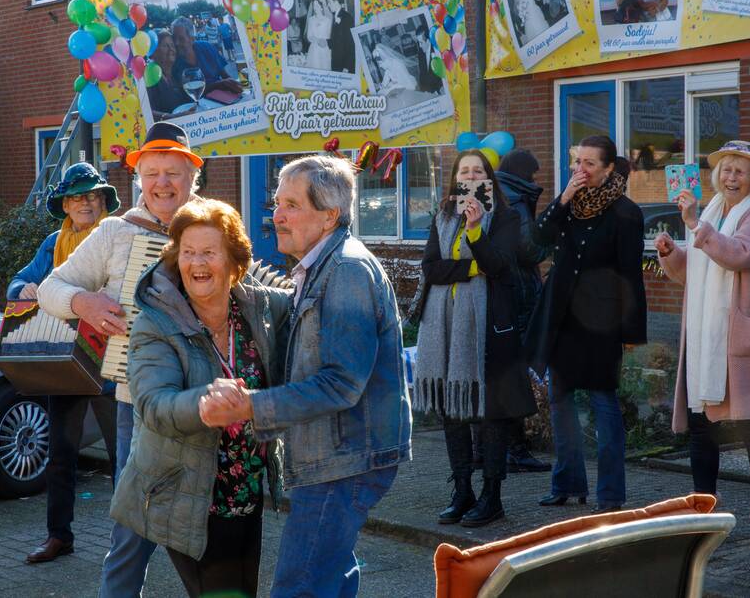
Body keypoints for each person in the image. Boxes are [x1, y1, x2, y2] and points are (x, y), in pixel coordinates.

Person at [198, 155, 412, 597]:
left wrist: (252, 406)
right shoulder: (320, 267)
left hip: (344, 460)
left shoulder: (347, 270)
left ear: (330, 214)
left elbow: (341, 383)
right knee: (331, 575)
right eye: (277, 202)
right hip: (336, 455)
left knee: (300, 586)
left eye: (291, 205)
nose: (276, 214)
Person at [38, 122, 202, 596]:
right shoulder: (115, 232)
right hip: (137, 399)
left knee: (204, 523)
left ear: (194, 176)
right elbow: (52, 288)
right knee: (131, 526)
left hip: (203, 401)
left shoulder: (214, 227)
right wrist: (84, 304)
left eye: (173, 172)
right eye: (152, 173)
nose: (163, 183)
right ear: (139, 179)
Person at [109, 199, 290, 597]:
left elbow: (310, 305)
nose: (197, 263)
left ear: (234, 262)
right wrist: (202, 405)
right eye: (188, 252)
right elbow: (153, 404)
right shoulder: (157, 324)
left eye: (208, 252)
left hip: (245, 495)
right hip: (187, 496)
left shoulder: (257, 308)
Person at [656, 141, 750, 550]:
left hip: (741, 340)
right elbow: (694, 272)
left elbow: (741, 254)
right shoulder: (711, 212)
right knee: (702, 429)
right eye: (725, 171)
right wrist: (671, 253)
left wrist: (696, 227)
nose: (731, 178)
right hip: (704, 338)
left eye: (740, 171)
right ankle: (704, 515)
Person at [414, 150, 538, 527]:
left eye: (477, 171)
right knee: (453, 411)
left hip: (489, 328)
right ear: (455, 178)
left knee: (490, 414)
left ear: (489, 179)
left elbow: (500, 265)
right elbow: (432, 269)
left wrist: (475, 231)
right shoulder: (441, 216)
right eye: (464, 171)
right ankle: (462, 489)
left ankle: (492, 496)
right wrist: (470, 268)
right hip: (445, 327)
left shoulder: (506, 217)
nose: (470, 176)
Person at [525, 135, 647, 514]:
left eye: (590, 164)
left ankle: (610, 495)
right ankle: (567, 484)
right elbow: (537, 240)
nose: (582, 170)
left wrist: (630, 332)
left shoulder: (626, 212)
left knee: (603, 403)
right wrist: (562, 199)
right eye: (578, 162)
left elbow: (631, 274)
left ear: (610, 168)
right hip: (561, 319)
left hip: (600, 324)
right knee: (560, 402)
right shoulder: (570, 205)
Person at [16, 162, 121, 565]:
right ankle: (59, 537)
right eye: (78, 196)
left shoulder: (117, 237)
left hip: (109, 360)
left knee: (122, 457)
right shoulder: (51, 245)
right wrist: (23, 287)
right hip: (65, 360)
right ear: (64, 204)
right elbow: (21, 281)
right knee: (60, 454)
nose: (86, 203)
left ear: (103, 201)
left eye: (93, 195)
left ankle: (124, 541)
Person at [495, 149, 552, 473]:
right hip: (518, 293)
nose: (536, 180)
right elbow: (529, 250)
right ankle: (515, 449)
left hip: (506, 293)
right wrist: (550, 242)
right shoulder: (516, 200)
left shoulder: (500, 193)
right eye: (533, 174)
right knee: (515, 376)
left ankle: (492, 448)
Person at [169, 17, 242, 96]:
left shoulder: (206, 47)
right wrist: (219, 84)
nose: (176, 43)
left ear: (192, 38)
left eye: (181, 39)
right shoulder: (174, 62)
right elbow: (187, 93)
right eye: (174, 38)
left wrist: (235, 86)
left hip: (221, 97)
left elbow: (225, 76)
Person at [147, 29, 188, 118]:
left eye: (172, 45)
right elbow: (146, 110)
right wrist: (170, 117)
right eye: (165, 45)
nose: (171, 49)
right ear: (153, 52)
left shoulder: (177, 72)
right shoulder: (150, 74)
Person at [305, 0, 333, 71]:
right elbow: (309, 36)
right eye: (314, 6)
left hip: (324, 49)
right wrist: (317, 40)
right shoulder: (311, 20)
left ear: (321, 8)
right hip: (314, 49)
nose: (315, 8)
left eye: (317, 6)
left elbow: (330, 36)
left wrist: (324, 42)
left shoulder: (327, 20)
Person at [412, 26, 444, 95]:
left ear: (428, 41)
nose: (420, 46)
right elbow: (422, 74)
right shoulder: (421, 53)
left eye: (421, 42)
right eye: (418, 43)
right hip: (429, 92)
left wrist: (438, 90)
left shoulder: (437, 51)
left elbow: (442, 75)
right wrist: (424, 91)